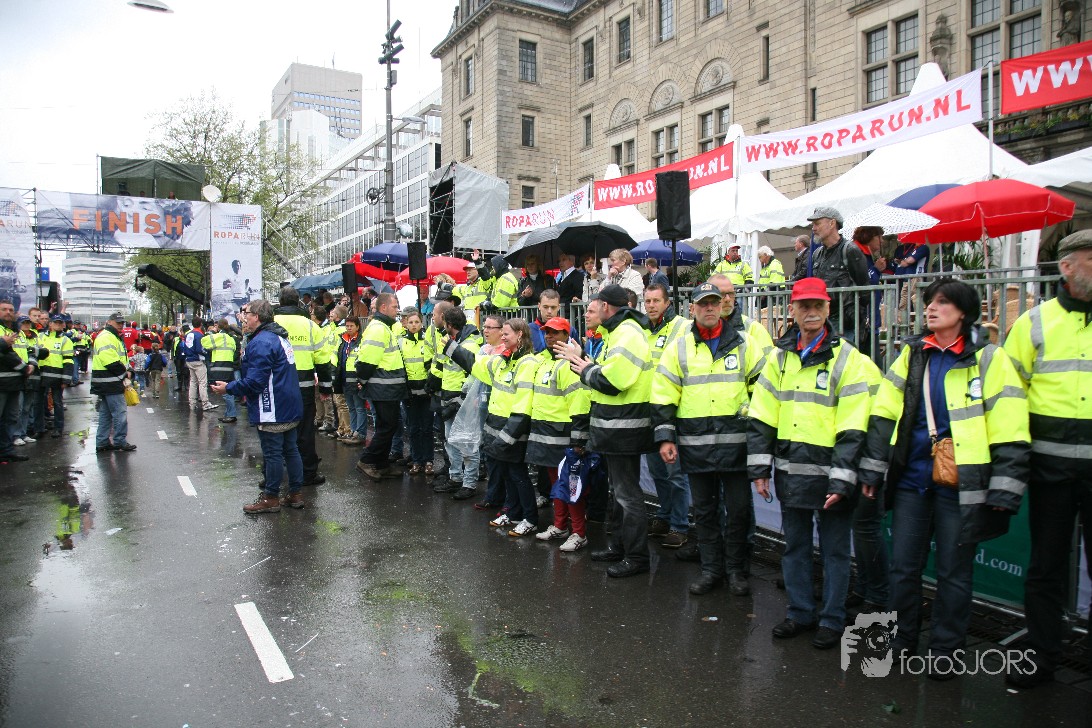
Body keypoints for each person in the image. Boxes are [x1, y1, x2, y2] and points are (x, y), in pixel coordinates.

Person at [859, 278, 1030, 679]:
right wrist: (872, 468)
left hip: (962, 487)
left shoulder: (990, 359)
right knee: (904, 567)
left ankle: (945, 651)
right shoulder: (912, 354)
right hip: (912, 483)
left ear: (963, 313)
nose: (931, 308)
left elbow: (1009, 425)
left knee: (954, 573)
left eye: (942, 302)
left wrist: (1004, 488)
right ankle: (902, 639)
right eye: (929, 302)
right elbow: (884, 413)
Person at [747, 278, 880, 649]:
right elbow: (762, 416)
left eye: (817, 306)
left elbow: (854, 426)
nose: (810, 312)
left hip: (831, 475)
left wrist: (842, 480)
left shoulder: (847, 359)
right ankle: (800, 613)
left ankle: (832, 619)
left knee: (835, 552)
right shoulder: (779, 359)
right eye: (804, 306)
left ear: (828, 308)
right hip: (791, 472)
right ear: (792, 309)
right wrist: (760, 469)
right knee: (795, 547)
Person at [1003, 230, 1092, 689]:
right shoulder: (1034, 323)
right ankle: (1042, 657)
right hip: (1049, 469)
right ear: (1067, 267)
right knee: (1046, 568)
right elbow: (1008, 393)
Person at [652, 283, 767, 595]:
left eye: (714, 302)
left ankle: (736, 571)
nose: (710, 308)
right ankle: (711, 569)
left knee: (739, 511)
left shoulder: (745, 344)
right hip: (696, 445)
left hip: (737, 446)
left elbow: (763, 394)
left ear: (722, 305)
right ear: (693, 308)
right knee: (704, 512)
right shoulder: (679, 348)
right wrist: (665, 438)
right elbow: (663, 394)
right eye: (703, 304)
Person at [555, 283, 654, 578]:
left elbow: (613, 381)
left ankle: (636, 557)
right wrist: (584, 360)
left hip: (625, 427)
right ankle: (619, 547)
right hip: (616, 427)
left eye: (593, 306)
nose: (590, 312)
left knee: (627, 495)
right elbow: (609, 372)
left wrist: (583, 368)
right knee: (620, 493)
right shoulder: (619, 332)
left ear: (606, 307)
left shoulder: (627, 333)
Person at [212, 300, 306, 513]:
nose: (244, 317)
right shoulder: (278, 337)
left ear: (257, 316)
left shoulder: (262, 341)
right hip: (288, 403)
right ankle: (295, 493)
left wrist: (229, 388)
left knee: (273, 453)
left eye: (246, 313)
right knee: (291, 450)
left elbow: (255, 382)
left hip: (272, 407)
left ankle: (271, 497)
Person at [516, 316, 591, 550]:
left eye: (555, 332)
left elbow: (579, 401)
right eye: (547, 332)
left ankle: (578, 532)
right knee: (556, 484)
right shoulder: (542, 360)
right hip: (546, 434)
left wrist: (579, 438)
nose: (549, 336)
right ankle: (560, 526)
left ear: (567, 336)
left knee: (569, 486)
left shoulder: (567, 363)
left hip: (564, 435)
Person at [466, 318, 540, 534]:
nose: (503, 337)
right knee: (508, 474)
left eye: (506, 333)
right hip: (501, 430)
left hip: (513, 431)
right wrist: (451, 349)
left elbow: (523, 403)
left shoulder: (527, 363)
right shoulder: (506, 359)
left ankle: (530, 518)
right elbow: (477, 365)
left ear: (520, 335)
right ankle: (514, 513)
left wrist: (508, 435)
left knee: (518, 475)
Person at [642, 283, 692, 549]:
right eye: (647, 301)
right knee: (658, 471)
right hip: (650, 410)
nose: (651, 305)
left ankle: (679, 526)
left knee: (675, 472)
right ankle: (665, 515)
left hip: (672, 411)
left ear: (667, 302)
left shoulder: (682, 327)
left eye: (656, 301)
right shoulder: (643, 330)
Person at [275, 287, 333, 486]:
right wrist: (325, 388)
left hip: (277, 386)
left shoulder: (270, 323)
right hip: (304, 387)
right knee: (305, 431)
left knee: (274, 430)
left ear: (280, 301)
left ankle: (273, 475)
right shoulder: (310, 326)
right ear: (298, 301)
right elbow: (323, 361)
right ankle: (308, 473)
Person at [429, 305, 484, 497]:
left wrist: (460, 401)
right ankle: (455, 478)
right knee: (451, 441)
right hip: (448, 397)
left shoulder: (468, 346)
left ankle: (469, 483)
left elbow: (474, 378)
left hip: (462, 401)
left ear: (449, 324)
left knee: (466, 443)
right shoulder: (453, 341)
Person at [354, 293, 410, 479]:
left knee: (387, 426)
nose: (397, 310)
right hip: (383, 389)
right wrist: (363, 381)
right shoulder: (378, 329)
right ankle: (367, 460)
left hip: (387, 388)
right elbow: (366, 362)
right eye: (395, 307)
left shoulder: (383, 327)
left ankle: (381, 464)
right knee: (387, 427)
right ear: (383, 307)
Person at [807, 207, 871, 346]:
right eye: (813, 224)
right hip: (824, 320)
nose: (813, 228)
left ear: (832, 223)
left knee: (844, 357)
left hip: (846, 323)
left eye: (817, 223)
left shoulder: (850, 250)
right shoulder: (817, 254)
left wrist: (854, 316)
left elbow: (865, 290)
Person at [91, 312, 136, 453]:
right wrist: (125, 374)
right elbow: (111, 361)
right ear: (109, 322)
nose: (121, 325)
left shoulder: (110, 336)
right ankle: (119, 441)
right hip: (110, 381)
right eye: (118, 323)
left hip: (106, 381)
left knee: (106, 414)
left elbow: (119, 358)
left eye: (122, 323)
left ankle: (102, 442)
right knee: (119, 413)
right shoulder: (107, 337)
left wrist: (127, 369)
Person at [399, 308, 433, 475]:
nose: (413, 325)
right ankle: (417, 460)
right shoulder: (401, 342)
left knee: (426, 428)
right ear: (406, 324)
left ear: (421, 323)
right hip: (410, 392)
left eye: (417, 322)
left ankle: (428, 461)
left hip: (426, 392)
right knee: (413, 428)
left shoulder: (427, 341)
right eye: (411, 322)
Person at [0, 301, 35, 463]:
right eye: (4, 309)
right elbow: (5, 355)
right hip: (2, 381)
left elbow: (29, 351)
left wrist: (31, 365)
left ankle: (6, 450)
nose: (8, 312)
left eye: (11, 310)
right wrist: (24, 368)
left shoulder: (17, 332)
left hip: (16, 381)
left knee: (11, 417)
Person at [708, 273, 774, 355]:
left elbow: (769, 361)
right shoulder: (695, 329)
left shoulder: (754, 329)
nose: (728, 299)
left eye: (731, 294)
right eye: (722, 294)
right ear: (707, 298)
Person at [38, 314, 74, 437]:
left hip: (57, 376)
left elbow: (68, 360)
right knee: (39, 402)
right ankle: (39, 428)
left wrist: (66, 379)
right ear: (50, 324)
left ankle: (58, 428)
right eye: (56, 322)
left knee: (57, 403)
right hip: (41, 374)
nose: (58, 325)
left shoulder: (66, 340)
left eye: (60, 323)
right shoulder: (41, 336)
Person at [207, 318, 240, 423]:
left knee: (227, 393)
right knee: (228, 390)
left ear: (218, 326)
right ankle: (228, 414)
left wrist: (212, 332)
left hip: (221, 366)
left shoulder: (219, 337)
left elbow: (204, 342)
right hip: (229, 366)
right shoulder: (231, 338)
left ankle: (231, 414)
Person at [181, 317, 216, 411]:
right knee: (202, 383)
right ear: (201, 324)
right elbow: (200, 349)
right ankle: (205, 403)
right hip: (198, 360)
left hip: (189, 360)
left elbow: (185, 347)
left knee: (193, 382)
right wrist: (207, 352)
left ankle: (192, 403)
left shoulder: (188, 334)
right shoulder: (199, 335)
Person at [554, 253, 585, 317]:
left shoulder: (578, 276)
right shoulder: (562, 277)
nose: (560, 263)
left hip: (572, 314)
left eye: (564, 260)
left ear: (572, 261)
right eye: (559, 261)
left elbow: (579, 295)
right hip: (563, 313)